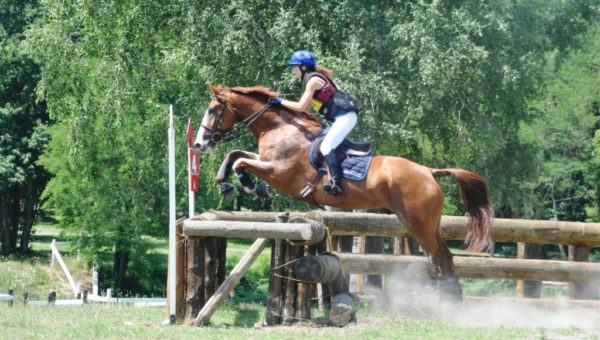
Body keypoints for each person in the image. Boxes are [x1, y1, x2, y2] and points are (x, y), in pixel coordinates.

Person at [270, 50, 361, 196]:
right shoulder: (312, 80)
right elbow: (307, 111)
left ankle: (336, 183)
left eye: (295, 67)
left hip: (345, 118)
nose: (293, 70)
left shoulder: (313, 81)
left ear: (304, 67)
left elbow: (301, 107)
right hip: (341, 118)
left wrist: (280, 101)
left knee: (326, 146)